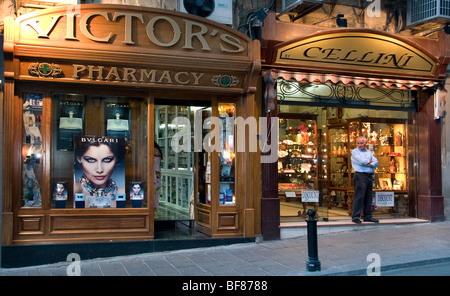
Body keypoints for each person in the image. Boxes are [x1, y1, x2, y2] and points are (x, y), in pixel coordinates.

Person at [74, 137, 125, 208]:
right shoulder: (75, 190)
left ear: (116, 159)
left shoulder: (123, 192)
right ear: (79, 158)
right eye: (91, 160)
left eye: (107, 160)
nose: (99, 170)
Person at [351, 136, 379, 224]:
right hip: (360, 175)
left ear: (365, 143)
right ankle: (356, 216)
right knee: (359, 196)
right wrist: (369, 162)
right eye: (358, 143)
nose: (360, 145)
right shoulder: (354, 152)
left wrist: (369, 163)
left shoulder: (369, 152)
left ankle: (368, 216)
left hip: (369, 175)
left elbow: (376, 162)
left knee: (368, 196)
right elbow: (361, 162)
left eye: (361, 143)